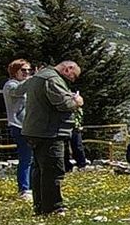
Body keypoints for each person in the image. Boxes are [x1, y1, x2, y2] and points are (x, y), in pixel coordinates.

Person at [19, 60, 84, 216]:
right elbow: (63, 103)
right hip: (49, 132)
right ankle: (53, 207)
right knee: (52, 170)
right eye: (72, 77)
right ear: (68, 69)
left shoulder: (40, 76)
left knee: (39, 170)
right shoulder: (52, 79)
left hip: (36, 130)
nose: (70, 81)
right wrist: (77, 101)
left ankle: (40, 206)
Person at [2, 59, 34, 200]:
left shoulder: (23, 84)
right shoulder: (11, 85)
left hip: (29, 126)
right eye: (24, 70)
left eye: (29, 70)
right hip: (19, 126)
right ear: (15, 72)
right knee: (25, 158)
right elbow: (18, 91)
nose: (27, 73)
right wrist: (33, 80)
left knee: (32, 158)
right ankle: (24, 189)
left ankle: (32, 186)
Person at [66, 88, 88, 172]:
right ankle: (67, 165)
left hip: (75, 126)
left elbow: (80, 102)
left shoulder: (75, 97)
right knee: (65, 147)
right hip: (66, 125)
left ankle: (81, 164)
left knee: (77, 145)